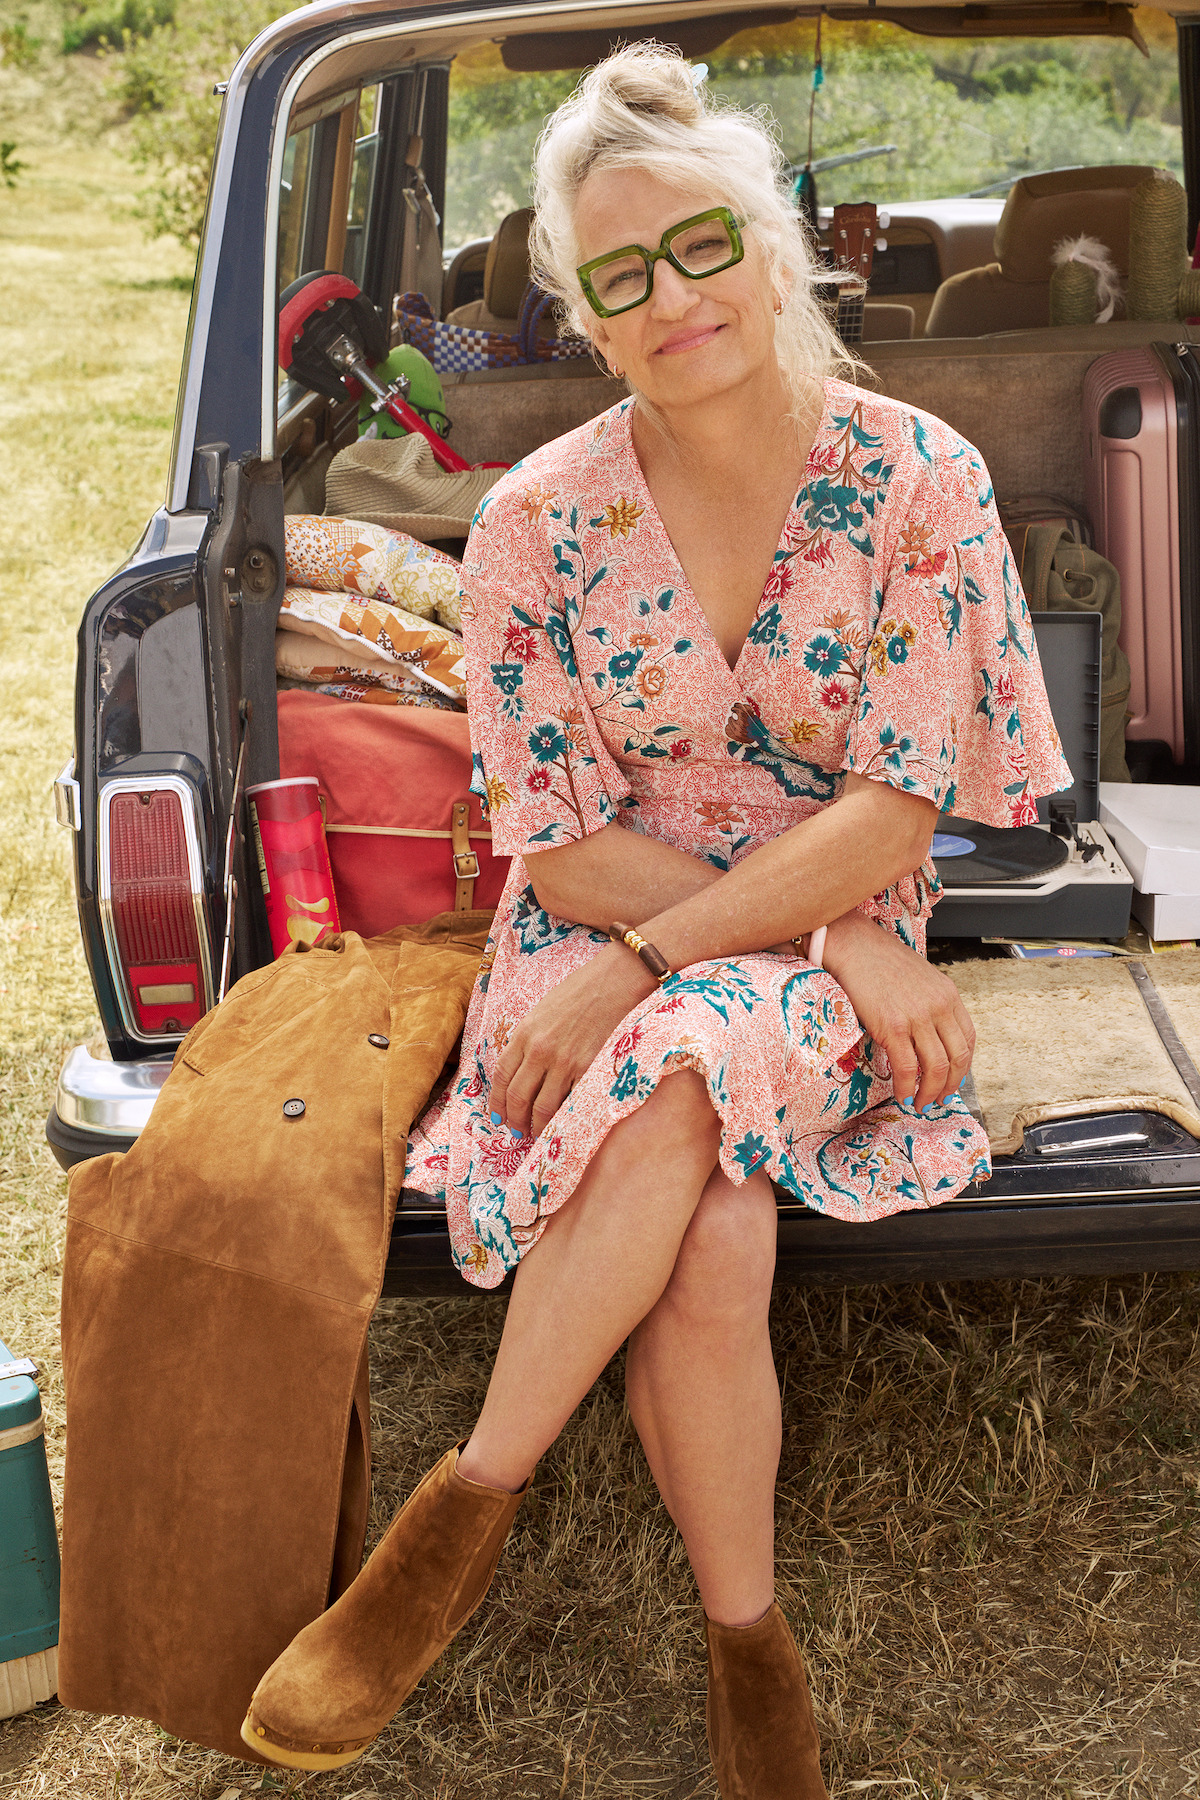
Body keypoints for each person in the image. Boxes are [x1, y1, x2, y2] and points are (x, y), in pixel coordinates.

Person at [242, 44, 1071, 1796]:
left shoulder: (922, 479)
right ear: (586, 321)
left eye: (702, 248)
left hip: (733, 946)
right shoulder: (534, 516)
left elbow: (891, 811)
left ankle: (455, 1522)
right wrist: (812, 935)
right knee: (711, 1238)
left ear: (779, 251)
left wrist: (784, 939)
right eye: (621, 278)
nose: (673, 298)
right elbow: (557, 847)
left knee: (690, 1043)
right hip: (635, 923)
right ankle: (751, 1650)